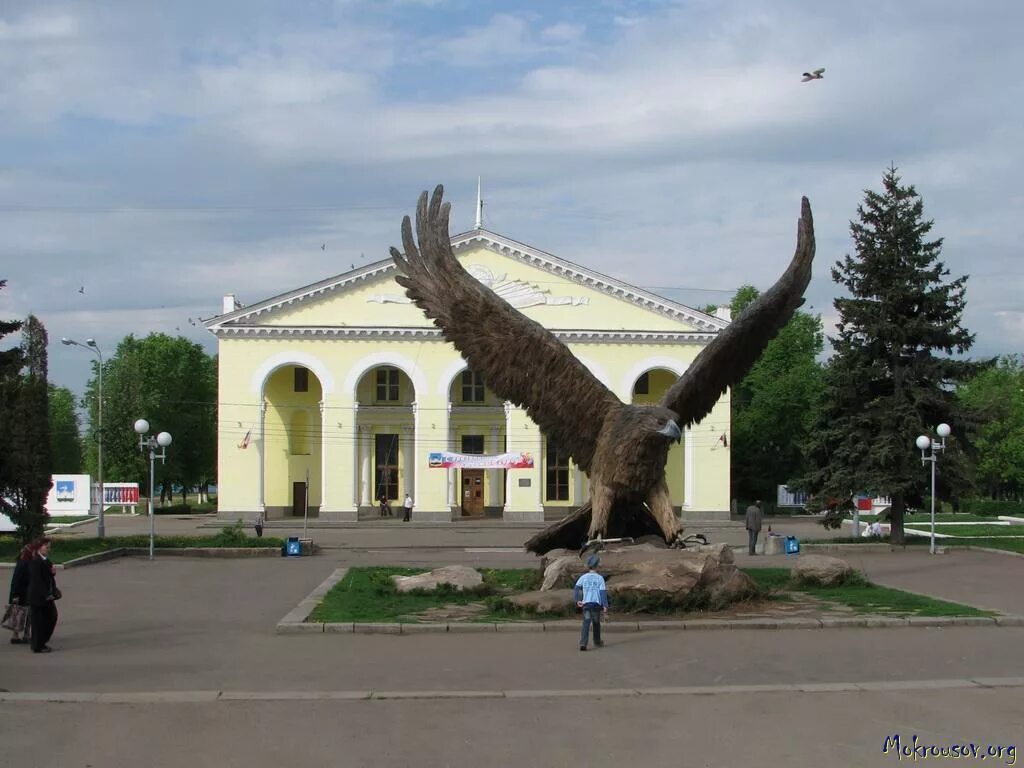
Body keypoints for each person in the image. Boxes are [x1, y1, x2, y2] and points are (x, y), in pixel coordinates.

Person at [27, 538, 59, 653]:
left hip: (46, 596)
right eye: (46, 546)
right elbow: (37, 581)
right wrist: (46, 595)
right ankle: (38, 645)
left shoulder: (45, 560)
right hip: (38, 597)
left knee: (51, 617)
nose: (48, 549)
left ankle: (40, 642)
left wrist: (52, 573)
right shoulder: (36, 561)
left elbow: (46, 576)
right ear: (39, 547)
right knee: (39, 621)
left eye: (49, 546)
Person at [574, 555, 608, 651]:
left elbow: (577, 588)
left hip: (586, 604)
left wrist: (577, 600)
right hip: (596, 604)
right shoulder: (600, 578)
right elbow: (602, 592)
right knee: (596, 623)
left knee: (586, 622)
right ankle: (597, 641)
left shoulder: (583, 577)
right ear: (597, 566)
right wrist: (605, 605)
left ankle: (583, 643)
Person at [5, 541, 36, 645]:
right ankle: (23, 635)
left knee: (21, 614)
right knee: (24, 614)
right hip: (21, 594)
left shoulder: (26, 562)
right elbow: (16, 581)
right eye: (33, 551)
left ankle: (18, 636)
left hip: (23, 593)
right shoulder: (23, 564)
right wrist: (15, 595)